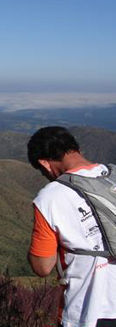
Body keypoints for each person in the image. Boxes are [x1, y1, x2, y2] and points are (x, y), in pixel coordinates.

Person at [27, 126, 116, 327]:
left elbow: (42, 267)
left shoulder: (50, 198)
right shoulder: (113, 175)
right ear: (77, 149)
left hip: (89, 311)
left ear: (45, 164)